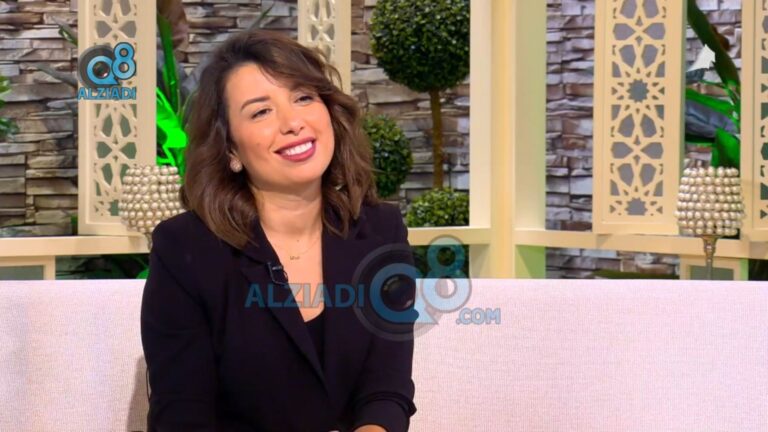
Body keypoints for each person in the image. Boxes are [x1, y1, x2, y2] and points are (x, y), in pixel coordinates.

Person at [140, 30, 418, 431]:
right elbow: (181, 413)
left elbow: (386, 390)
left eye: (303, 98)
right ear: (231, 150)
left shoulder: (380, 232)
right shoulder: (186, 248)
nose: (293, 123)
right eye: (260, 112)